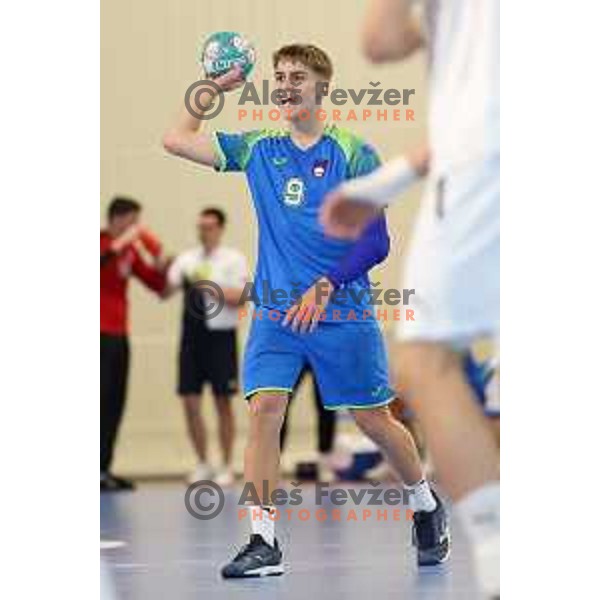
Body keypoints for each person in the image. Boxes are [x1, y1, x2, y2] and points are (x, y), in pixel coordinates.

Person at [163, 43, 449, 578]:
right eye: (278, 76)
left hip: (340, 311)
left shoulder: (353, 152)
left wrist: (324, 285)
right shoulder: (257, 148)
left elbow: (376, 243)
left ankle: (425, 502)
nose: (285, 84)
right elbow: (175, 140)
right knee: (264, 411)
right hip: (277, 314)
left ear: (322, 87)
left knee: (373, 420)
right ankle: (262, 540)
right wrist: (214, 90)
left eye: (298, 76)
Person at [320, 1, 500, 597]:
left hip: (483, 163)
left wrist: (382, 182)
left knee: (425, 359)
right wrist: (387, 179)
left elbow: (381, 38)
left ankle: (502, 558)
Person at [164, 207, 248, 487]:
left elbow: (242, 297)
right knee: (190, 402)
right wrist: (160, 264)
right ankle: (202, 462)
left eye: (210, 226)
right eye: (200, 226)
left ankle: (226, 464)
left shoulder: (233, 260)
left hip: (220, 337)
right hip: (191, 337)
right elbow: (166, 288)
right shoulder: (187, 259)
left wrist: (209, 285)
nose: (204, 232)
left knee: (223, 401)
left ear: (220, 228)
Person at [100, 196, 167, 491]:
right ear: (117, 219)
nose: (137, 228)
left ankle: (102, 468)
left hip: (119, 334)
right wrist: (120, 243)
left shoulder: (129, 252)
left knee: (114, 401)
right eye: (132, 221)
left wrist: (164, 262)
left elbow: (157, 284)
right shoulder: (102, 243)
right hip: (96, 332)